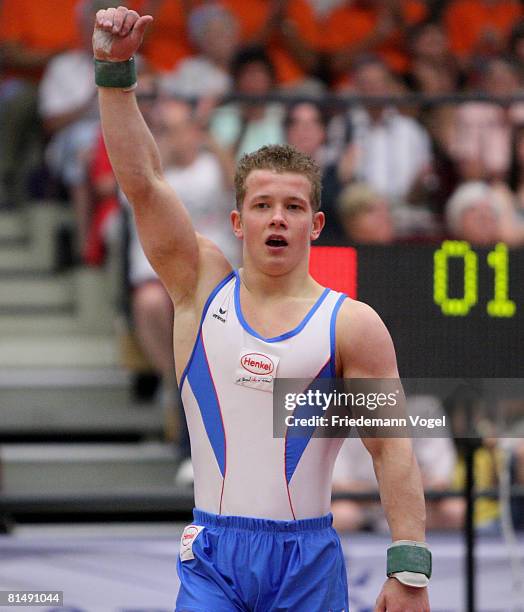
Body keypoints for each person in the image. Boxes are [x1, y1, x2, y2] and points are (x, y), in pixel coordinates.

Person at [92, 6, 431, 611]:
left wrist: (409, 567)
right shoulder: (199, 287)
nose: (278, 217)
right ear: (236, 222)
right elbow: (141, 181)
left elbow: (392, 448)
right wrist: (115, 73)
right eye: (263, 205)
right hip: (215, 559)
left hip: (307, 562)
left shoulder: (350, 324)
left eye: (294, 207)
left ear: (316, 225)